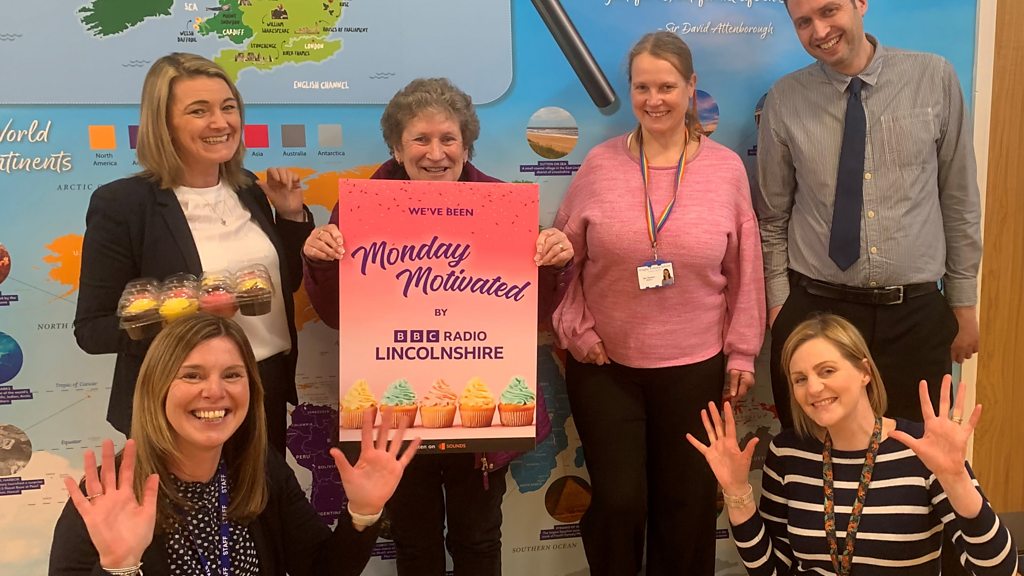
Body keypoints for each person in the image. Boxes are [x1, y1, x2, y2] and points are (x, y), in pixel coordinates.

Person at [302, 77, 566, 575]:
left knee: (478, 539)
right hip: (394, 418)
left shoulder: (501, 207)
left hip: (480, 417)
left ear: (466, 145)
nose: (436, 153)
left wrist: (552, 265)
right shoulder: (360, 211)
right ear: (396, 148)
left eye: (448, 138)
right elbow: (338, 316)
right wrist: (319, 261)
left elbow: (530, 316)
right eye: (420, 139)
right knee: (415, 542)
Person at [552, 31, 765, 576]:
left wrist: (742, 352)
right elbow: (562, 261)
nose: (654, 99)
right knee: (621, 503)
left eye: (667, 86)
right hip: (606, 368)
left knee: (687, 507)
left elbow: (745, 270)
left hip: (695, 367)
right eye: (642, 87)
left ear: (691, 87)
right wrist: (577, 330)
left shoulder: (726, 170)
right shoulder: (599, 165)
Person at [50, 313, 420, 576]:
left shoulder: (262, 469)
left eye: (232, 375)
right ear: (156, 389)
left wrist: (363, 512)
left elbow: (320, 570)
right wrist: (119, 568)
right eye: (192, 375)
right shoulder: (109, 494)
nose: (215, 391)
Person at [757, 0, 982, 431]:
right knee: (816, 455)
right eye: (804, 22)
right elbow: (772, 216)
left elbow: (958, 201)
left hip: (914, 317)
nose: (819, 31)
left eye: (829, 11)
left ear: (860, 3)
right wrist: (779, 307)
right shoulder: (784, 99)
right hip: (817, 315)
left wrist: (963, 303)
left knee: (914, 454)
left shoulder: (933, 78)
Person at [73, 53, 313, 453]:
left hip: (261, 389)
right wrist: (182, 316)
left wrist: (290, 216)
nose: (220, 122)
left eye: (228, 107)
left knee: (266, 495)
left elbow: (279, 287)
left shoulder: (249, 189)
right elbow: (91, 330)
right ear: (163, 124)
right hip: (180, 402)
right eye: (199, 111)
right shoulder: (123, 205)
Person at [687, 314, 1018, 575]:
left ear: (864, 372)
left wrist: (956, 479)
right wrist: (737, 492)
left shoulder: (922, 449)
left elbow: (998, 568)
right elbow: (773, 571)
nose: (813, 388)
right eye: (800, 379)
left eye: (827, 371)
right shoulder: (787, 453)